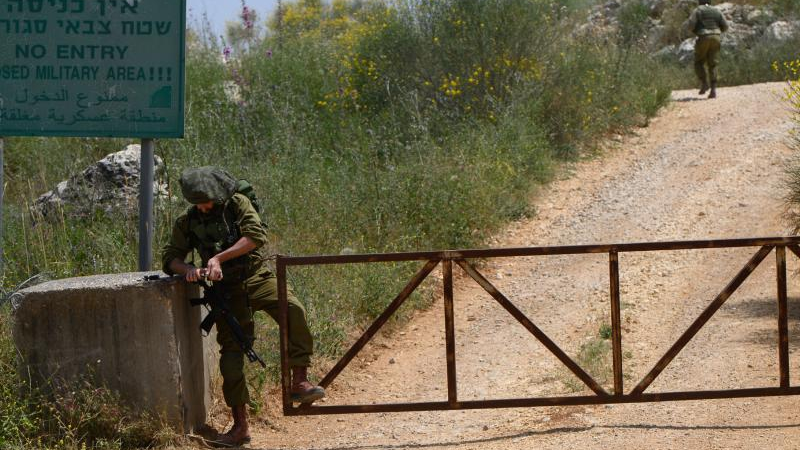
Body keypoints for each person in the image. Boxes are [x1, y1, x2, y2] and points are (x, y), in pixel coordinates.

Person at [162, 166, 324, 447]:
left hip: (256, 276)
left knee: (293, 309)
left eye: (207, 200)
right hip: (227, 292)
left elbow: (255, 236)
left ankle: (299, 381)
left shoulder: (237, 204)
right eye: (197, 202)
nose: (203, 207)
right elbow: (170, 257)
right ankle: (240, 426)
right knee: (232, 354)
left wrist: (218, 259)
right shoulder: (187, 221)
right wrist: (189, 269)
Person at [683, 0, 729, 99]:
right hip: (716, 37)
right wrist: (716, 30)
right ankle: (713, 89)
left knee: (699, 62)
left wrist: (695, 31)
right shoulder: (717, 11)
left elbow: (691, 25)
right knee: (713, 63)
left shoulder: (698, 10)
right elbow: (725, 26)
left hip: (703, 36)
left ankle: (704, 83)